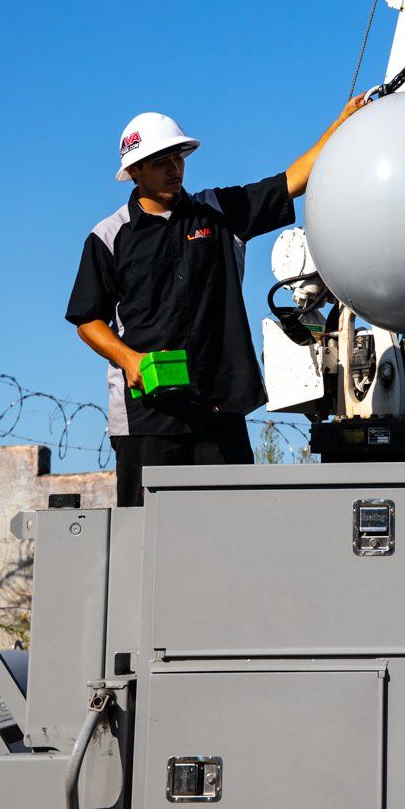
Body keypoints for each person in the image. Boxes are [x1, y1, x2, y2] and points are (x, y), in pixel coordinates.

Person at [66, 98, 366, 506]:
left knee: (230, 532)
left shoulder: (219, 212)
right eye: (161, 162)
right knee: (147, 539)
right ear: (134, 171)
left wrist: (343, 122)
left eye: (179, 157)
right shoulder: (108, 236)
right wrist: (129, 360)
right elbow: (87, 319)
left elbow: (293, 179)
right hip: (147, 420)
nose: (175, 169)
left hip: (219, 408)